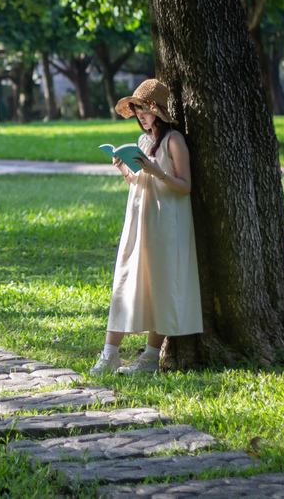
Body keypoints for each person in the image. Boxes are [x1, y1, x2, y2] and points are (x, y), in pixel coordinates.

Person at [90, 78, 202, 376]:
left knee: (161, 282)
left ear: (159, 110)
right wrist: (124, 169)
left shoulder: (173, 141)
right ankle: (110, 353)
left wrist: (157, 171)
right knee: (128, 279)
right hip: (140, 218)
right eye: (137, 109)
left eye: (145, 108)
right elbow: (138, 183)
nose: (140, 114)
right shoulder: (142, 142)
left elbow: (185, 186)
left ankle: (151, 356)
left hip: (168, 220)